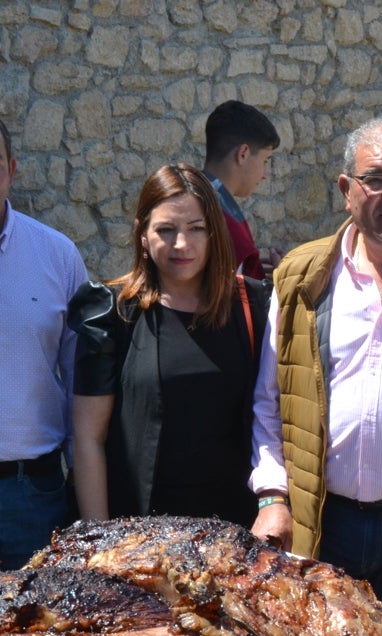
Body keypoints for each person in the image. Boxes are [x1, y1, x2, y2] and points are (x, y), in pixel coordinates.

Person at [248, 116, 382, 629]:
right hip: (324, 524)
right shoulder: (302, 276)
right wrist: (273, 496)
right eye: (377, 179)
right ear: (347, 189)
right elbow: (270, 402)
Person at [68, 163, 268, 527]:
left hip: (235, 532)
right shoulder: (111, 312)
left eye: (196, 229)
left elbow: (272, 420)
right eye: (166, 229)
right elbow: (88, 438)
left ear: (214, 234)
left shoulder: (253, 305)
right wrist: (97, 542)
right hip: (137, 537)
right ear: (142, 235)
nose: (182, 244)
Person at [0, 118, 89, 569]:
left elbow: (81, 376)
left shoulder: (56, 256)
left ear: (11, 170)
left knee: (34, 635)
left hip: (31, 495)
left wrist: (82, 480)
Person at [203, 100, 281, 280]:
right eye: (265, 161)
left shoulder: (194, 194)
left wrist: (250, 271)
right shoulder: (222, 219)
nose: (264, 175)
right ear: (243, 153)